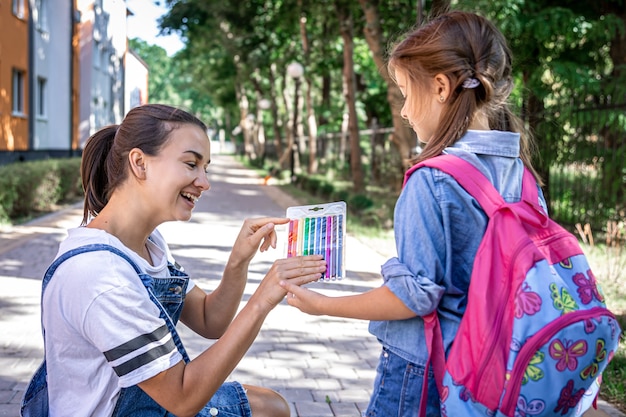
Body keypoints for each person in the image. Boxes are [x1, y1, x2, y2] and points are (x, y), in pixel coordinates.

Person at [279, 10, 547, 417]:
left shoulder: (433, 180)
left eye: (405, 92)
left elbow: (413, 298)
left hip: (424, 374)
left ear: (441, 86)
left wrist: (322, 305)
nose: (404, 111)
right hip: (500, 369)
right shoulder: (524, 176)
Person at [41, 104, 327, 417]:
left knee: (271, 406)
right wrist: (262, 300)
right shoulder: (100, 275)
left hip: (151, 401)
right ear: (140, 163)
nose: (204, 182)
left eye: (206, 168)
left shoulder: (147, 243)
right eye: (191, 164)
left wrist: (237, 262)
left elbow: (209, 320)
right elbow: (182, 398)